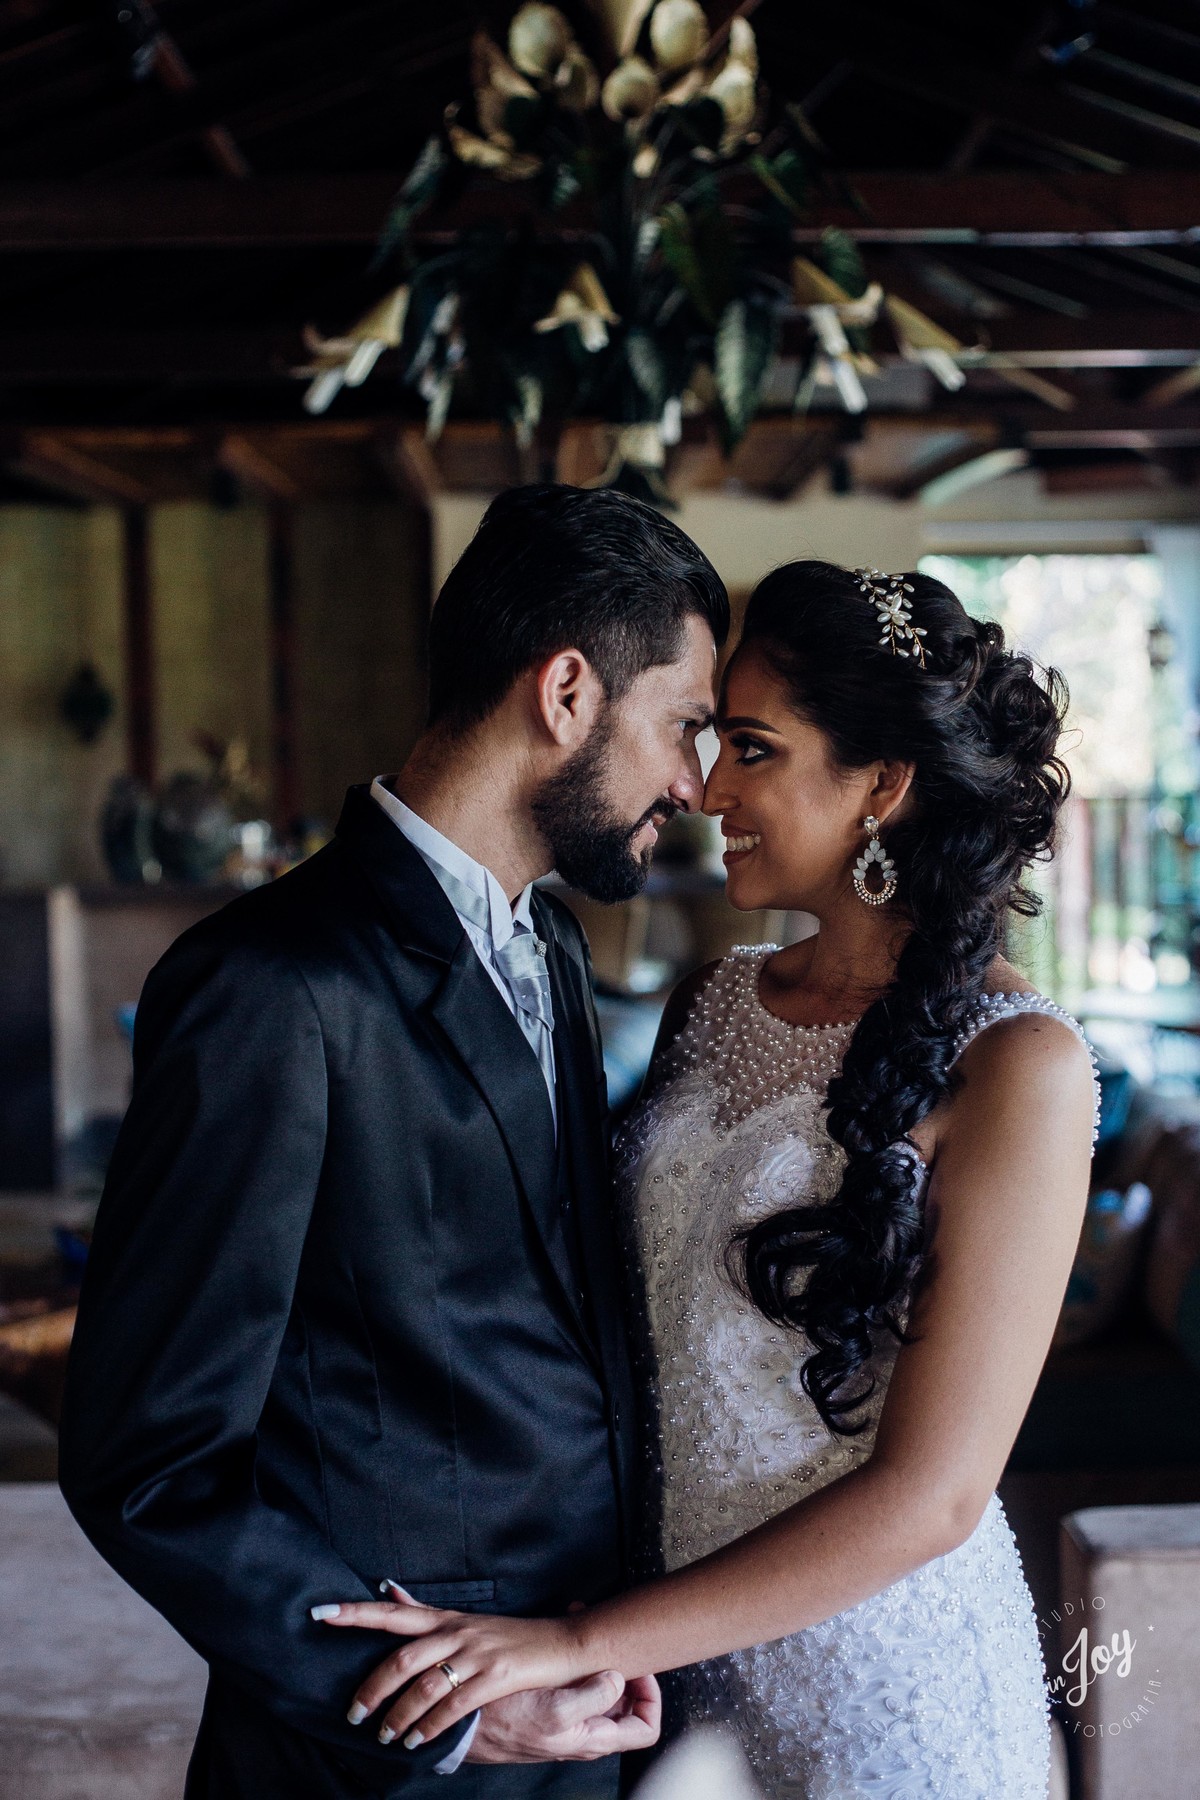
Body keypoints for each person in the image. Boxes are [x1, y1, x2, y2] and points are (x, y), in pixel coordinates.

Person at [313, 560, 1099, 1799]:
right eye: (709, 740)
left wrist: (577, 1643)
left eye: (754, 749)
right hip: (674, 1681)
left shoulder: (1022, 1068)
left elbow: (935, 1496)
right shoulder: (713, 1002)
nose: (705, 787)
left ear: (882, 786)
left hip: (883, 1696)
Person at [58, 483, 729, 1799]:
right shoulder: (269, 987)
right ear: (569, 693)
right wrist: (446, 1711)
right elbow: (148, 1460)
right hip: (384, 1759)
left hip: (590, 1700)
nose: (696, 783)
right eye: (686, 726)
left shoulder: (550, 944)